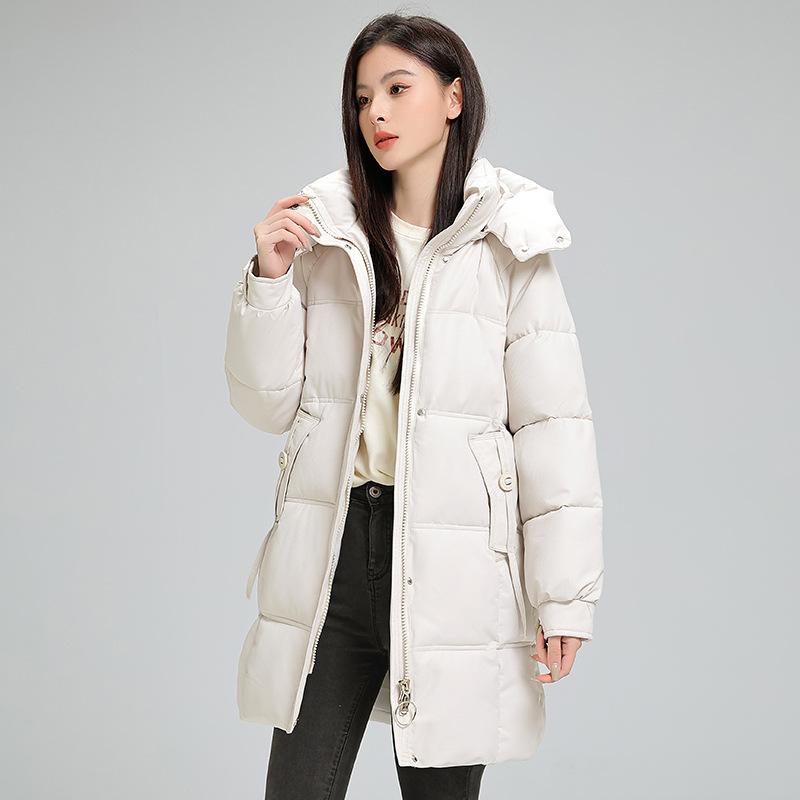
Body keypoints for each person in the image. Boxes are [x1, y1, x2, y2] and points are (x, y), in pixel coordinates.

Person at [224, 12, 604, 800]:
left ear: (454, 98)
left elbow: (553, 430)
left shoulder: (507, 241)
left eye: (399, 89)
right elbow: (267, 405)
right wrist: (269, 280)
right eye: (364, 98)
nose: (378, 114)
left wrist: (564, 598)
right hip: (334, 557)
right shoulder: (325, 235)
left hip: (453, 566)